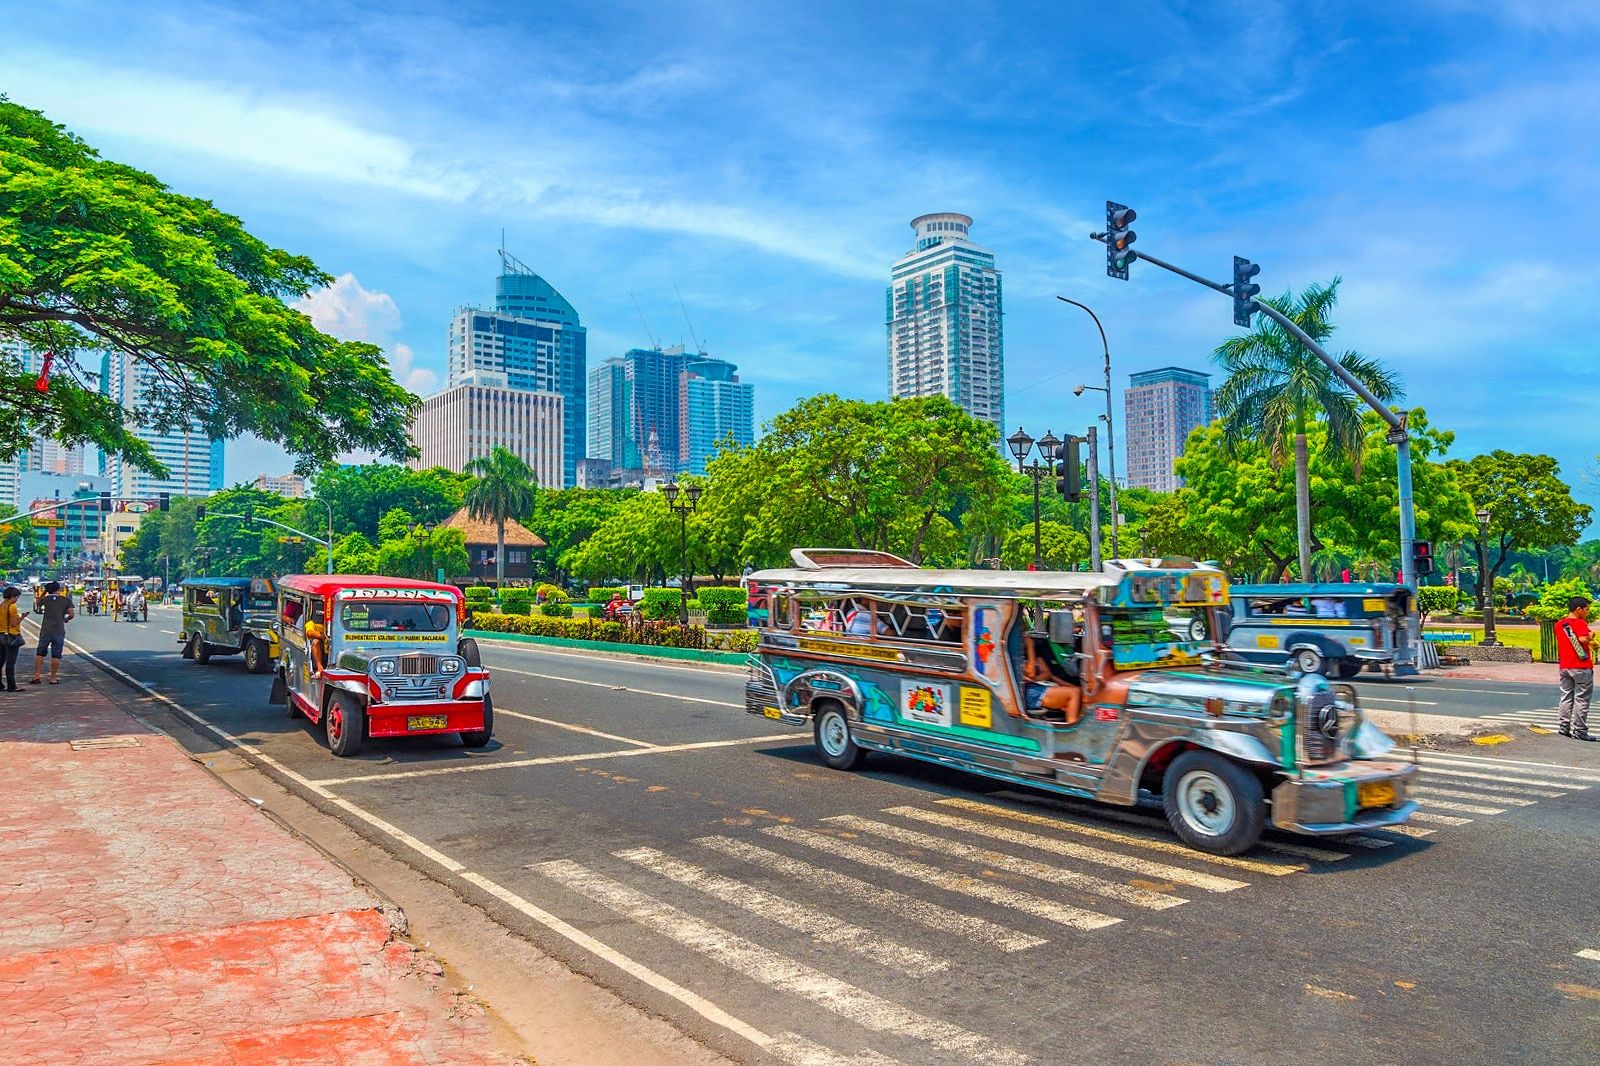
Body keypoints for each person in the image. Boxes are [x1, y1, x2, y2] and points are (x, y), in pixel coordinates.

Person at [1022, 628, 1082, 725]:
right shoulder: (1017, 654)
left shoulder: (1034, 656)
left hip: (1035, 686)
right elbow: (1031, 673)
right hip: (1028, 691)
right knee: (1074, 693)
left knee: (1077, 691)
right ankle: (1072, 727)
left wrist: (1034, 679)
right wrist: (1030, 646)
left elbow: (1047, 673)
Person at [1555, 596, 1593, 741]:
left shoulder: (1559, 624)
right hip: (1581, 666)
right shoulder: (1580, 623)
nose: (1587, 612)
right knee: (1582, 699)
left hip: (1565, 665)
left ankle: (1564, 727)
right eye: (1586, 609)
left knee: (1566, 696)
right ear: (1579, 609)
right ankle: (1580, 730)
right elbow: (1583, 639)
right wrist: (1592, 635)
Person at [29, 580, 75, 686]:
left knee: (40, 652)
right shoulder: (65, 600)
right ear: (58, 589)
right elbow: (71, 614)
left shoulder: (45, 599)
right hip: (58, 630)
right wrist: (66, 619)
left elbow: (37, 603)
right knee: (56, 654)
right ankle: (53, 678)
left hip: (46, 629)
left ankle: (37, 675)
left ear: (48, 590)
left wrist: (45, 592)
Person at [2, 586, 24, 692]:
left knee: (1, 661)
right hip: (11, 636)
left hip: (1, 635)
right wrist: (22, 617)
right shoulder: (12, 607)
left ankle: (0, 684)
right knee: (11, 662)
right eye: (17, 597)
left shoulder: (2, 605)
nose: (17, 599)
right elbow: (14, 623)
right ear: (13, 597)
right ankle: (11, 685)